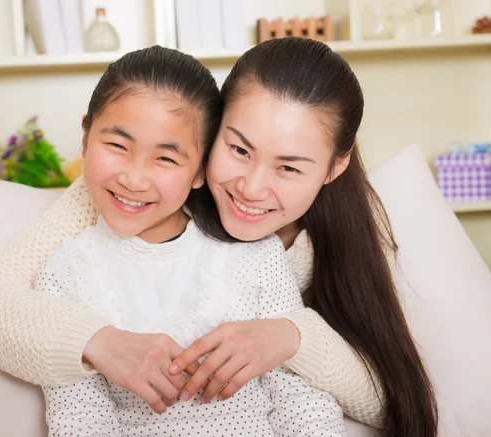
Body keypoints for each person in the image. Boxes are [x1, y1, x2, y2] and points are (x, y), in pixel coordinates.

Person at [0, 38, 438, 436]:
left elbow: (393, 400)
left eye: (289, 166)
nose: (250, 187)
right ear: (211, 139)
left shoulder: (343, 229)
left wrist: (290, 336)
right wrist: (98, 341)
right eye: (239, 149)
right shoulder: (129, 198)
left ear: (335, 166)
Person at [37, 45, 346, 436]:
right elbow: (80, 421)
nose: (133, 179)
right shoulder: (64, 272)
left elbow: (301, 400)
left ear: (200, 169)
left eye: (165, 158)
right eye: (117, 145)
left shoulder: (257, 255)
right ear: (85, 141)